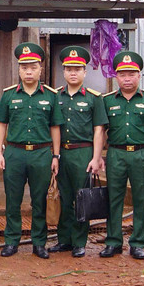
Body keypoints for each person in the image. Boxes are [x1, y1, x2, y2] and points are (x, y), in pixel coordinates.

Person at [0, 42, 62, 259]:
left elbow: (55, 127)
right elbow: (1, 123)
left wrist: (56, 155)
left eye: (33, 67)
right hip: (14, 153)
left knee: (39, 200)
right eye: (24, 67)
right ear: (19, 69)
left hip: (41, 153)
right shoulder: (9, 95)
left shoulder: (50, 95)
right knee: (12, 199)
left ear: (40, 68)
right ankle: (11, 241)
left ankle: (39, 243)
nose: (28, 71)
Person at [99, 51, 144, 260]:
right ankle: (113, 241)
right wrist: (98, 156)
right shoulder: (107, 101)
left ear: (139, 75)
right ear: (115, 77)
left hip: (142, 155)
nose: (127, 78)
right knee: (114, 199)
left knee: (141, 199)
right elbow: (101, 130)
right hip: (116, 155)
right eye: (122, 74)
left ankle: (138, 243)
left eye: (132, 74)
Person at [48, 46, 107, 258]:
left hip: (83, 153)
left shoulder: (94, 98)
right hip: (62, 153)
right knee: (63, 198)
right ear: (63, 72)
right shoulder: (55, 96)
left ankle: (79, 242)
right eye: (69, 68)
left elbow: (98, 129)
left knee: (82, 198)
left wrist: (96, 157)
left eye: (78, 68)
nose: (73, 72)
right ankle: (63, 240)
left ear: (85, 72)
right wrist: (55, 156)